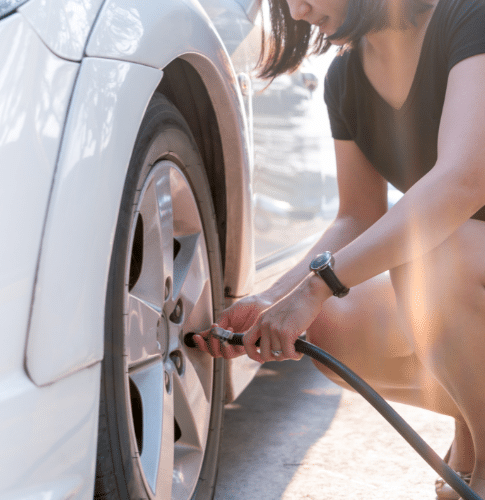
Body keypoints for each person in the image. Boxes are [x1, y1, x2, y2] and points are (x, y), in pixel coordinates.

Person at [191, 0, 485, 497]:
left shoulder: (468, 17)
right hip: (470, 265)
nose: (299, 9)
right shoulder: (345, 79)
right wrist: (278, 299)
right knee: (325, 327)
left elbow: (463, 182)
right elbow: (358, 213)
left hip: (464, 254)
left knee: (428, 252)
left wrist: (316, 286)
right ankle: (475, 423)